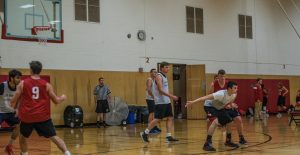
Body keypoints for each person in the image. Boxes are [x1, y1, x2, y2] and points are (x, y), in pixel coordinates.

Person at [10, 61, 71, 155]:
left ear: (30, 70)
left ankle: (24, 154)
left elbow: (13, 101)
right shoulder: (46, 85)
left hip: (27, 117)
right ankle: (67, 153)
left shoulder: (22, 83)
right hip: (42, 117)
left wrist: (15, 108)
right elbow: (56, 101)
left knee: (22, 137)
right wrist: (63, 97)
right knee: (54, 137)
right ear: (40, 71)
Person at [186, 81, 240, 151]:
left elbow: (228, 101)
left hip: (219, 108)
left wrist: (231, 105)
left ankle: (228, 141)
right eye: (235, 88)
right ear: (229, 89)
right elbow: (205, 97)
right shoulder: (220, 94)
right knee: (215, 121)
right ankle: (207, 144)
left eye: (237, 88)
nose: (237, 89)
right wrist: (193, 102)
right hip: (209, 106)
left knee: (229, 121)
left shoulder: (233, 95)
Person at [140, 61, 179, 143]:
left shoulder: (164, 76)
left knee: (170, 117)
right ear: (162, 68)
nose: (168, 69)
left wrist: (169, 98)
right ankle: (145, 133)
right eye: (166, 67)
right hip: (161, 102)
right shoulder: (159, 76)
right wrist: (172, 96)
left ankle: (168, 136)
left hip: (166, 101)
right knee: (157, 119)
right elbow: (160, 90)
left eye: (168, 67)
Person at [208, 69, 247, 145]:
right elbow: (210, 96)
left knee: (239, 119)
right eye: (221, 76)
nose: (222, 78)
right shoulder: (214, 84)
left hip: (228, 105)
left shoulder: (228, 83)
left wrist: (231, 103)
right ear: (217, 76)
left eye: (224, 76)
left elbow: (234, 92)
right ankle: (209, 140)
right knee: (214, 122)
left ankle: (241, 138)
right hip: (219, 107)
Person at [0, 69, 22, 155]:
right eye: (17, 78)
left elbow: (19, 99)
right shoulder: (2, 86)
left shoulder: (19, 87)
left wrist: (17, 108)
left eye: (20, 78)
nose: (19, 80)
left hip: (10, 111)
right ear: (11, 78)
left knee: (19, 126)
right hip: (1, 112)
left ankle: (9, 146)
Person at [145, 68, 161, 134]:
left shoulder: (155, 80)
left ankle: (153, 126)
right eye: (154, 72)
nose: (155, 73)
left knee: (154, 114)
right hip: (150, 99)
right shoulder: (150, 79)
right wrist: (154, 97)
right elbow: (149, 90)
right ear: (151, 73)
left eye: (156, 72)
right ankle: (149, 128)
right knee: (151, 113)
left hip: (154, 99)